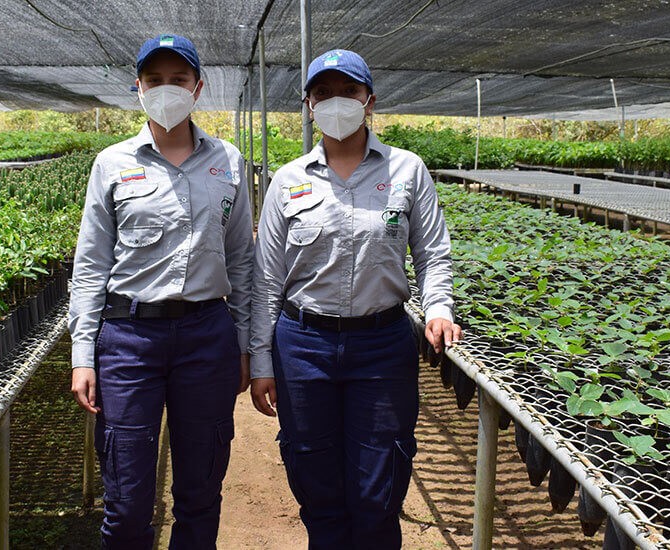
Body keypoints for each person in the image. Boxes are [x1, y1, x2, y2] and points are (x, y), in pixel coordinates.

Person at [248, 48, 462, 549]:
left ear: (369, 101)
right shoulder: (289, 180)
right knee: (315, 485)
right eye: (323, 94)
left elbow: (432, 253)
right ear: (308, 105)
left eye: (349, 92)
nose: (336, 103)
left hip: (382, 345)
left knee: (378, 488)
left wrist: (438, 308)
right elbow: (265, 281)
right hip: (302, 346)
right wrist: (261, 359)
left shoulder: (407, 171)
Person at [68, 33, 253, 550]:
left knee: (200, 491)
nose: (166, 90)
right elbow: (90, 266)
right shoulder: (112, 163)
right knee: (126, 501)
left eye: (178, 80)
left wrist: (242, 345)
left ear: (198, 87)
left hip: (205, 334)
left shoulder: (229, 162)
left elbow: (242, 259)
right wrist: (84, 354)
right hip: (129, 336)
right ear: (139, 87)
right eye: (155, 81)